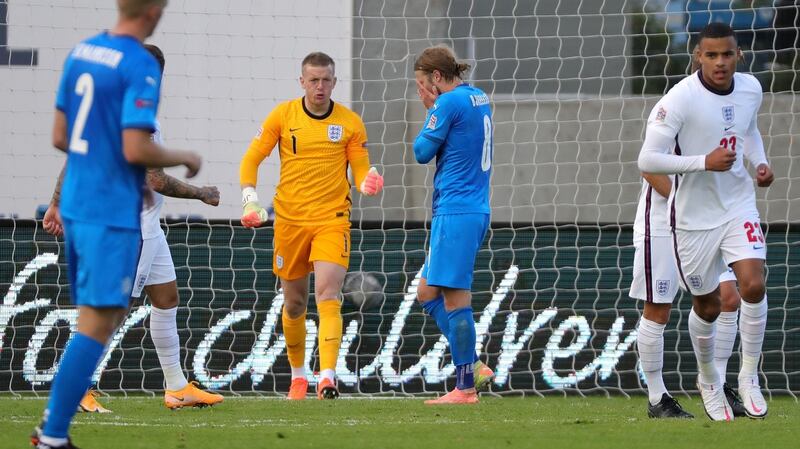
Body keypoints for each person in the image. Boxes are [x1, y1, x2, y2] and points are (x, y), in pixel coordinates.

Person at [31, 0, 202, 446]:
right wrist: (184, 157)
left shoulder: (83, 52)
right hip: (115, 213)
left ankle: (176, 386)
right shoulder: (138, 65)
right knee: (102, 319)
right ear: (152, 12)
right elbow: (136, 152)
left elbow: (61, 137)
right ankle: (58, 424)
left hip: (84, 205)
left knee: (160, 297)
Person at [638, 22, 773, 421]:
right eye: (711, 55)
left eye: (727, 54)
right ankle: (707, 377)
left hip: (737, 204)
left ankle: (748, 376)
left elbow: (747, 130)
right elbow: (647, 161)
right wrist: (703, 163)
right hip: (689, 218)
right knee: (708, 305)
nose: (720, 62)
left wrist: (759, 163)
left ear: (738, 55)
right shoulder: (678, 99)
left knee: (752, 284)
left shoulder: (751, 89)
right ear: (698, 56)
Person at [238, 51, 384, 400]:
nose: (320, 86)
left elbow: (361, 167)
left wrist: (368, 180)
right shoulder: (283, 115)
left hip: (332, 220)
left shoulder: (350, 123)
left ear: (335, 82)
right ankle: (298, 377)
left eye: (326, 80)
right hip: (289, 222)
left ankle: (328, 377)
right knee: (294, 304)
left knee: (328, 296)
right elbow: (252, 158)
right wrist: (249, 199)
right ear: (302, 82)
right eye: (313, 80)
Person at [412, 46, 494, 405]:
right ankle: (473, 364)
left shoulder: (447, 103)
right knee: (427, 293)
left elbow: (420, 152)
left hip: (457, 210)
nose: (421, 91)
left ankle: (465, 386)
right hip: (470, 207)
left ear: (436, 78)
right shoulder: (477, 95)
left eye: (421, 84)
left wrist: (431, 108)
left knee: (455, 297)